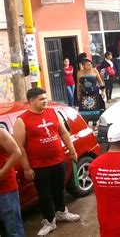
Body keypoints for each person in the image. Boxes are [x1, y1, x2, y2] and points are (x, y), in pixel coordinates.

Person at [13, 88, 80, 236]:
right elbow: (20, 147)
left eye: (45, 98)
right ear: (31, 101)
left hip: (58, 161)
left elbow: (63, 132)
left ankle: (62, 212)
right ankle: (49, 221)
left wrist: (72, 151)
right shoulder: (22, 120)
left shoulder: (52, 113)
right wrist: (26, 168)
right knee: (44, 195)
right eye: (41, 99)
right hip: (38, 166)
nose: (45, 101)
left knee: (58, 189)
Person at [0, 128, 25, 236]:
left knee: (14, 228)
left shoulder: (1, 133)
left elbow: (16, 153)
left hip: (5, 189)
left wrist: (1, 173)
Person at [77, 57, 105, 127]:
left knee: (95, 109)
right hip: (84, 94)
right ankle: (86, 125)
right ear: (83, 66)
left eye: (90, 64)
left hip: (94, 93)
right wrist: (78, 94)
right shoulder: (79, 73)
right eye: (88, 65)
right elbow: (78, 84)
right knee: (84, 110)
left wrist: (103, 91)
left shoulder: (95, 71)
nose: (90, 66)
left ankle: (94, 124)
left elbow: (100, 81)